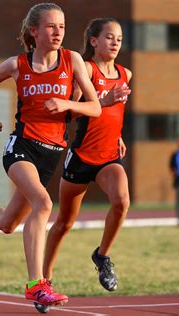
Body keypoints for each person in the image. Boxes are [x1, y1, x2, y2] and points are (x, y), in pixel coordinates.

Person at [0, 3, 101, 307]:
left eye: (61, 26)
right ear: (34, 31)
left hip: (52, 153)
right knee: (43, 203)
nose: (58, 32)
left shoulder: (72, 60)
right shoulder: (17, 64)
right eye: (50, 26)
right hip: (22, 147)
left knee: (8, 224)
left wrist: (68, 105)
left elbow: (95, 107)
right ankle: (36, 284)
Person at [43, 18, 132, 293]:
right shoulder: (87, 70)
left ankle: (102, 255)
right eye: (109, 37)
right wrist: (102, 102)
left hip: (108, 157)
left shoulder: (126, 74)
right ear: (94, 41)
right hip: (81, 157)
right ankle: (44, 280)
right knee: (64, 223)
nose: (115, 42)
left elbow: (116, 114)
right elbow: (69, 111)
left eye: (118, 37)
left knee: (121, 201)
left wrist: (117, 135)